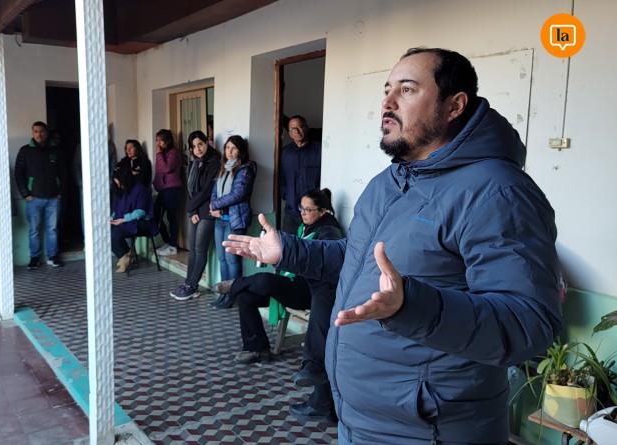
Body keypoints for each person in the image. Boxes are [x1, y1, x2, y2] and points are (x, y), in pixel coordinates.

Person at [224, 47, 563, 444]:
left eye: (407, 89)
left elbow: (528, 323)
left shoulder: (497, 192)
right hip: (361, 418)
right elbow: (361, 259)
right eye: (387, 90)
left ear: (454, 106)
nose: (387, 103)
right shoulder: (389, 183)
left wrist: (410, 306)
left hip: (428, 429)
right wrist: (291, 251)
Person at [230, 189, 342, 424]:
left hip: (307, 292)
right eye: (301, 208)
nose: (303, 213)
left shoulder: (329, 233)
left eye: (308, 209)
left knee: (264, 281)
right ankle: (257, 347)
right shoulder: (304, 228)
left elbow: (322, 264)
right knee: (247, 297)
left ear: (323, 211)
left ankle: (234, 285)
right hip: (296, 285)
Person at [169, 131, 220, 301]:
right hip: (195, 211)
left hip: (207, 211)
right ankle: (187, 283)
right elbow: (191, 189)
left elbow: (207, 190)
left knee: (200, 248)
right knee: (192, 248)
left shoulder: (214, 160)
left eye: (200, 144)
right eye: (194, 146)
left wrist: (191, 207)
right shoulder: (194, 162)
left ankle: (192, 285)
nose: (198, 149)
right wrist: (192, 212)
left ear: (206, 143)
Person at [208, 135, 256, 309]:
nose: (230, 151)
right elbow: (215, 191)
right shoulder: (223, 168)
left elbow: (238, 194)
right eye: (227, 148)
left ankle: (233, 295)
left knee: (232, 260)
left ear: (240, 151)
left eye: (233, 148)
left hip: (234, 221)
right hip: (220, 219)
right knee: (222, 259)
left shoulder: (245, 169)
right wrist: (214, 206)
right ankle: (224, 293)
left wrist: (215, 205)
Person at [15, 121, 63, 269]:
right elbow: (18, 174)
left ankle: (52, 257)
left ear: (46, 133)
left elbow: (63, 173)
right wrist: (25, 194)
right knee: (34, 230)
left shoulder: (55, 150)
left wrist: (61, 192)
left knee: (52, 230)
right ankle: (34, 258)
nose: (38, 134)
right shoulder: (25, 151)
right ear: (32, 133)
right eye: (35, 131)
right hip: (34, 198)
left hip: (53, 198)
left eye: (41, 131)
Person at [279, 115, 322, 234]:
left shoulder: (319, 150)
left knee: (309, 243)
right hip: (291, 210)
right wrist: (286, 194)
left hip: (312, 211)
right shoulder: (285, 153)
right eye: (293, 129)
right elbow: (281, 177)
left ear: (306, 128)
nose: (297, 131)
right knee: (288, 242)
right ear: (289, 133)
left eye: (300, 127)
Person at [110, 165, 154, 273]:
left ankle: (125, 258)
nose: (118, 184)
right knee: (106, 232)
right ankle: (127, 255)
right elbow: (117, 209)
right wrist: (112, 217)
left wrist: (124, 219)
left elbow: (141, 212)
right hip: (126, 220)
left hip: (142, 222)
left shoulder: (140, 189)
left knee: (114, 235)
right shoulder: (121, 190)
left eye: (119, 182)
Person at [152, 129, 183, 256]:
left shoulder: (174, 153)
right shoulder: (162, 153)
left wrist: (159, 154)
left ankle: (172, 246)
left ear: (168, 141)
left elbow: (167, 168)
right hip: (162, 190)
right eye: (157, 140)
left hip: (172, 190)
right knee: (156, 216)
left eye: (161, 140)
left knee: (171, 218)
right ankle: (167, 241)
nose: (158, 143)